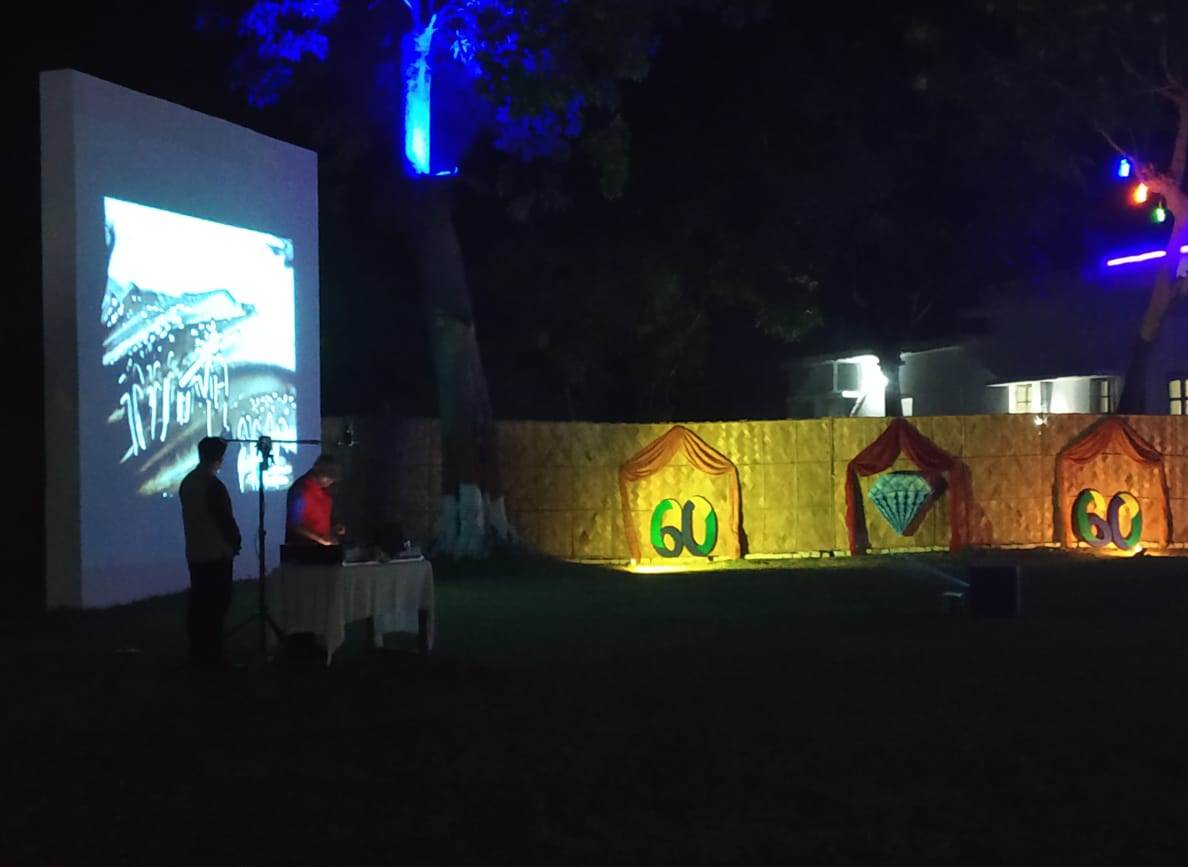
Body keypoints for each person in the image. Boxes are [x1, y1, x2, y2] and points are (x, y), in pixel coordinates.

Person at [179, 436, 241, 666]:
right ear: (218, 459)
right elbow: (223, 519)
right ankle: (213, 653)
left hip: (196, 551)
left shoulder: (188, 482)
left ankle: (199, 651)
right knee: (216, 605)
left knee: (199, 603)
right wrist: (234, 542)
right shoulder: (212, 485)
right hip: (216, 553)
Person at [286, 454, 346, 546]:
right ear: (317, 469)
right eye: (327, 476)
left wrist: (335, 526)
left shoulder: (326, 491)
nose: (330, 481)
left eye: (332, 479)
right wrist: (319, 539)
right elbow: (294, 525)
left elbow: (324, 517)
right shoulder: (300, 490)